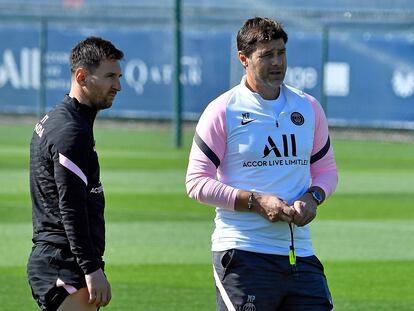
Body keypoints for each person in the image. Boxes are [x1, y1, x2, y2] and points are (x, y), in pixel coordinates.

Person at [186, 17, 338, 311]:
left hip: (300, 255)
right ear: (243, 59)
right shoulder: (222, 110)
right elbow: (195, 182)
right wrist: (256, 201)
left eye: (281, 53)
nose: (277, 62)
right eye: (266, 55)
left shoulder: (308, 107)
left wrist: (313, 196)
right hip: (243, 255)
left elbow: (326, 171)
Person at [28, 36, 123, 311]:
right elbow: (71, 207)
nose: (118, 85)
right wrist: (92, 269)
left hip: (57, 259)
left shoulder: (59, 119)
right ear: (82, 76)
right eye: (110, 77)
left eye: (118, 76)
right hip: (64, 263)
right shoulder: (71, 132)